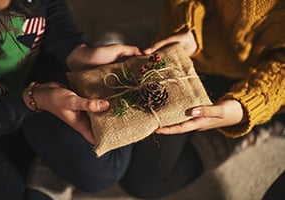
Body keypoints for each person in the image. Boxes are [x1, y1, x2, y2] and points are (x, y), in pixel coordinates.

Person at [119, 0, 285, 198]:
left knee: (144, 185)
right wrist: (188, 27)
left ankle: (251, 128)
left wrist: (246, 107)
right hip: (195, 56)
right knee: (139, 169)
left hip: (265, 83)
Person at [0, 0, 141, 199]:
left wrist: (75, 50)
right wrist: (32, 101)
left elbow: (48, 4)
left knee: (101, 171)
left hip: (33, 75)